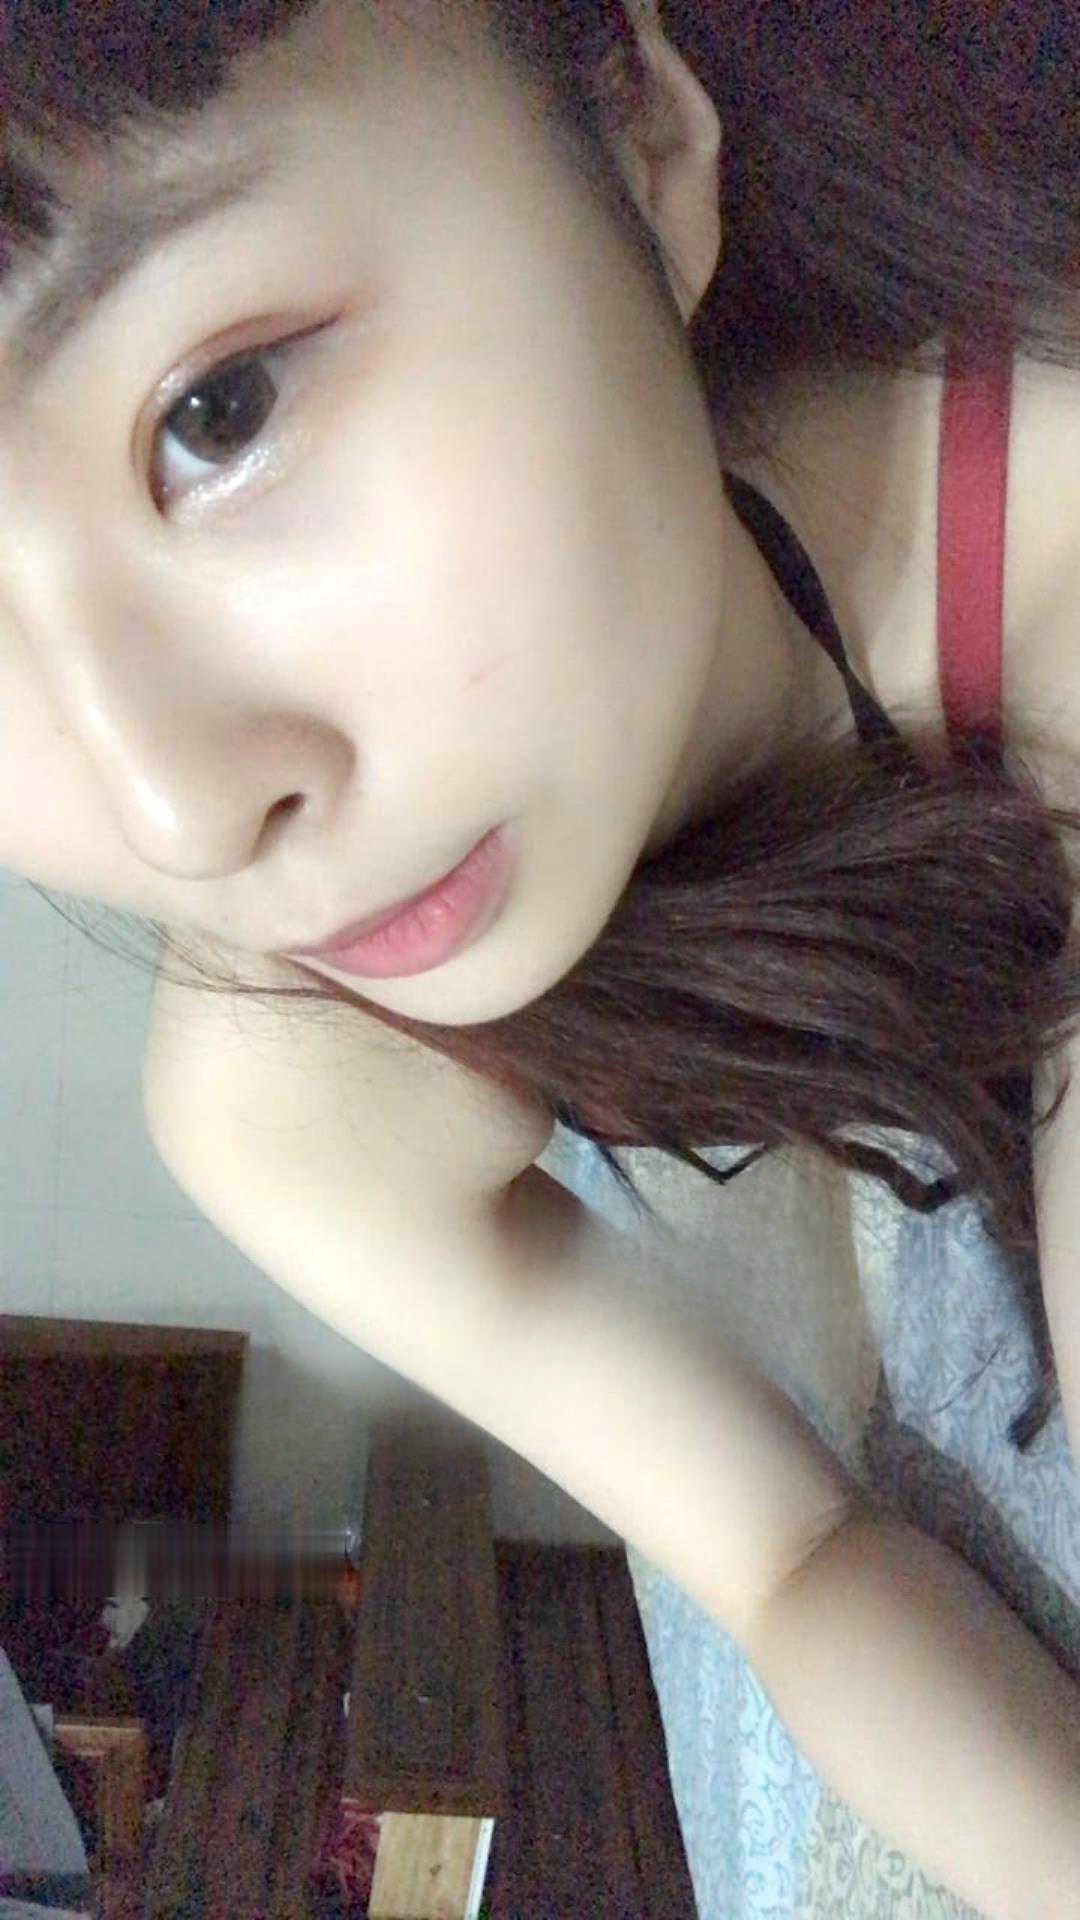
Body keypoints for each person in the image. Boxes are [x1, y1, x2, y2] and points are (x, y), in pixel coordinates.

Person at [3, 3, 1080, 1914]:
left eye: (219, 409)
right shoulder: (290, 1081)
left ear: (642, 134)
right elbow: (786, 1562)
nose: (178, 815)